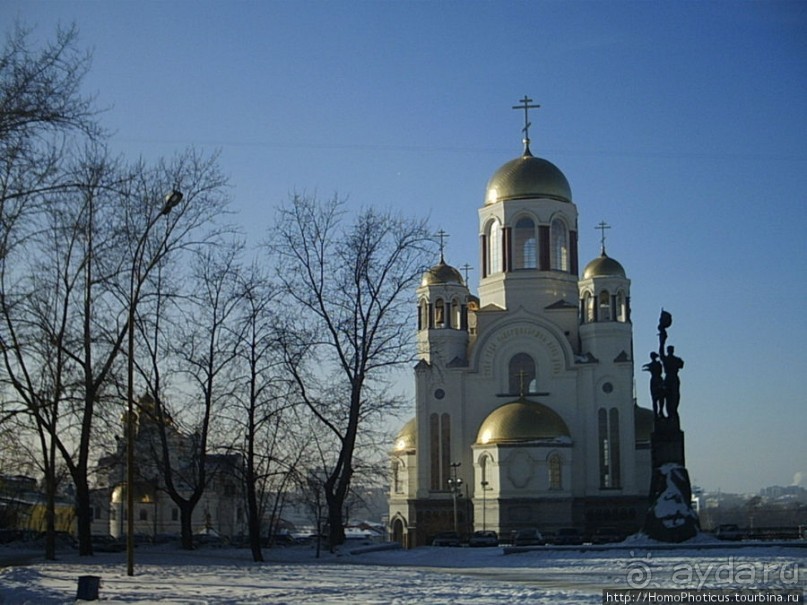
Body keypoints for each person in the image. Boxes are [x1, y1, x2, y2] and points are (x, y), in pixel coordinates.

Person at [659, 344, 684, 422]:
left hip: (671, 379)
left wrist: (662, 341)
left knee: (673, 398)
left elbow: (661, 353)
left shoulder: (672, 359)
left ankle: (671, 415)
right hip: (671, 378)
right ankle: (669, 414)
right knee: (670, 398)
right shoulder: (675, 360)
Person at [642, 352, 665, 418]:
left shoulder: (655, 364)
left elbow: (651, 367)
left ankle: (659, 411)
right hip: (657, 380)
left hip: (656, 380)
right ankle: (659, 412)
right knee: (658, 398)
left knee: (658, 398)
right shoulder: (656, 364)